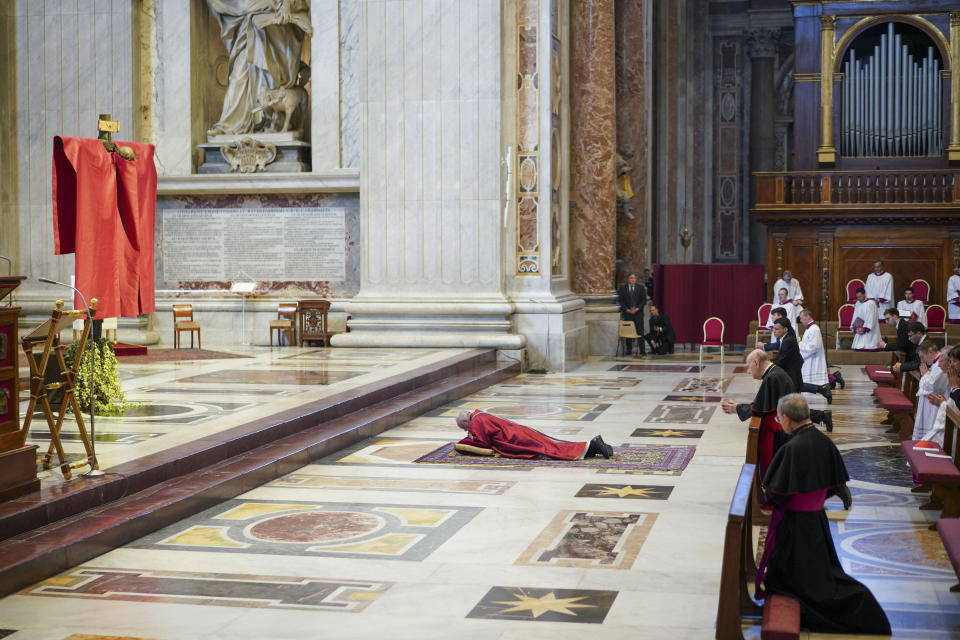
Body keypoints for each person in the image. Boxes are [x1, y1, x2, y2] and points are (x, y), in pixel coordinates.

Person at [757, 394, 891, 636]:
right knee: (818, 569)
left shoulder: (792, 448)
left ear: (786, 418)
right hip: (816, 520)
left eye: (780, 419)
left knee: (805, 578)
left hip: (796, 525)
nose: (780, 423)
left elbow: (775, 494)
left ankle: (852, 607)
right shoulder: (823, 440)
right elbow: (834, 484)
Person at [206, 0, 313, 136]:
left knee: (270, 74)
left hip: (275, 22)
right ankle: (229, 125)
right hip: (251, 21)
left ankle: (271, 122)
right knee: (238, 76)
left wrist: (287, 4)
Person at [721, 350, 795, 477]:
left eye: (749, 366)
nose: (749, 371)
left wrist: (736, 409)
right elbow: (762, 403)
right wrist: (738, 407)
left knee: (775, 469)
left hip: (778, 432)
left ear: (756, 362)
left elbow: (759, 409)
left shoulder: (772, 378)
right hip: (784, 425)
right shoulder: (775, 373)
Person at [455, 410, 613, 460]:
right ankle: (594, 447)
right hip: (518, 433)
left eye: (464, 427)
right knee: (552, 446)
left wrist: (466, 441)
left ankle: (594, 445)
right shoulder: (480, 416)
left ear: (465, 420)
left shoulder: (477, 421)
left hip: (515, 439)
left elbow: (484, 444)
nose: (466, 430)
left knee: (549, 450)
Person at [911, 342, 949, 441]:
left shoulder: (941, 363)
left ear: (930, 351)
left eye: (923, 357)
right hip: (930, 403)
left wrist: (925, 374)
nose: (922, 360)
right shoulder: (936, 363)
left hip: (935, 404)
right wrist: (926, 375)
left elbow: (933, 386)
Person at [796, 309, 832, 404]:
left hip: (812, 359)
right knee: (803, 382)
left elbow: (814, 347)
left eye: (801, 318)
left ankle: (825, 391)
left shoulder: (814, 329)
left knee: (805, 382)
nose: (800, 320)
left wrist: (800, 344)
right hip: (809, 358)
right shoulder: (810, 328)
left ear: (808, 317)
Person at [617, 273, 647, 356]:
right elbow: (621, 301)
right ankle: (629, 350)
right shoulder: (623, 288)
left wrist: (637, 309)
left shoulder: (641, 288)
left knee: (640, 331)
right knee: (629, 332)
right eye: (631, 278)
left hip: (638, 313)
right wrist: (627, 310)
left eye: (634, 278)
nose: (633, 279)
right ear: (628, 279)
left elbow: (644, 300)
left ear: (636, 279)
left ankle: (642, 351)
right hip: (628, 313)